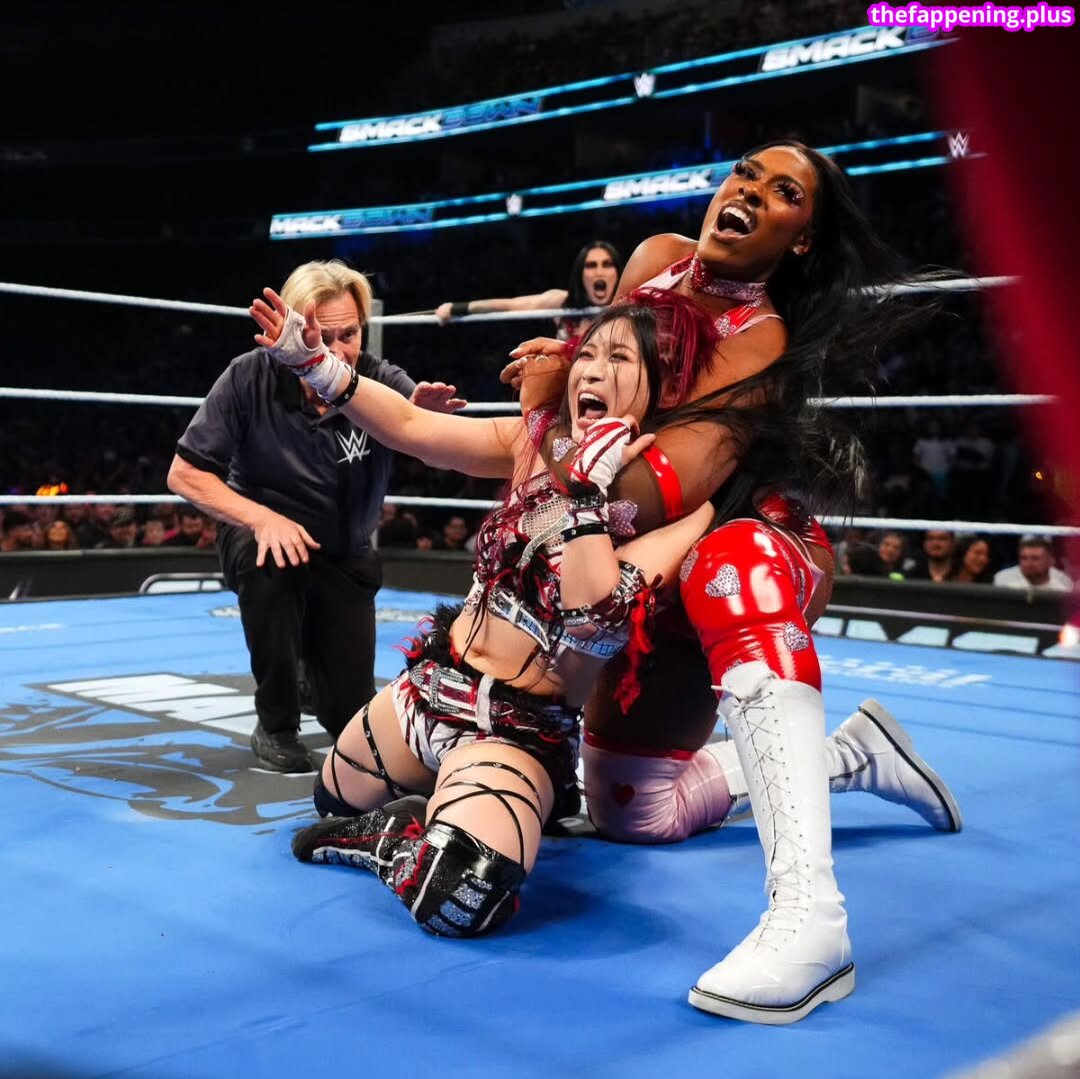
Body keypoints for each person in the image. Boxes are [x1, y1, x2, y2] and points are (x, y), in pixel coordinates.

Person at [503, 140, 962, 1023]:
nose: (749, 190)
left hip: (749, 546)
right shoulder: (652, 259)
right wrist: (563, 391)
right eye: (746, 172)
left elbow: (638, 493)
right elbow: (602, 414)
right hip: (649, 563)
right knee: (630, 811)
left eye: (783, 191)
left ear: (801, 238)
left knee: (729, 559)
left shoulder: (762, 339)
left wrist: (542, 413)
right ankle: (852, 755)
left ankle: (811, 918)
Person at [255, 288, 719, 939]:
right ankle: (429, 813)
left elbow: (592, 619)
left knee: (460, 894)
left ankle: (396, 840)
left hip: (516, 730)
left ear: (661, 389)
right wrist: (317, 367)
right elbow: (414, 429)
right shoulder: (537, 441)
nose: (591, 371)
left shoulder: (681, 508)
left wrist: (585, 495)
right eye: (587, 354)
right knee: (333, 797)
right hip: (432, 688)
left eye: (618, 359)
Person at [168, 259, 466, 773]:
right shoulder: (249, 375)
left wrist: (428, 427)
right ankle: (276, 722)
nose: (336, 351)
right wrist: (261, 519)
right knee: (268, 560)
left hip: (345, 554)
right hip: (267, 541)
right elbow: (185, 473)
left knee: (348, 714)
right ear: (290, 329)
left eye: (348, 334)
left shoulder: (378, 380)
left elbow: (432, 445)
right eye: (320, 337)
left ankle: (313, 674)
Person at [435, 240, 622, 341]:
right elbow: (511, 306)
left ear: (618, 272)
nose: (599, 272)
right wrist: (457, 308)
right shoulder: (564, 303)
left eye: (607, 264)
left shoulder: (629, 306)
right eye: (591, 265)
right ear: (580, 274)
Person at [993, 534, 1072, 591]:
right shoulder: (1010, 591)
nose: (1028, 563)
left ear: (1051, 561)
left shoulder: (1063, 592)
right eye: (1024, 558)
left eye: (1035, 558)